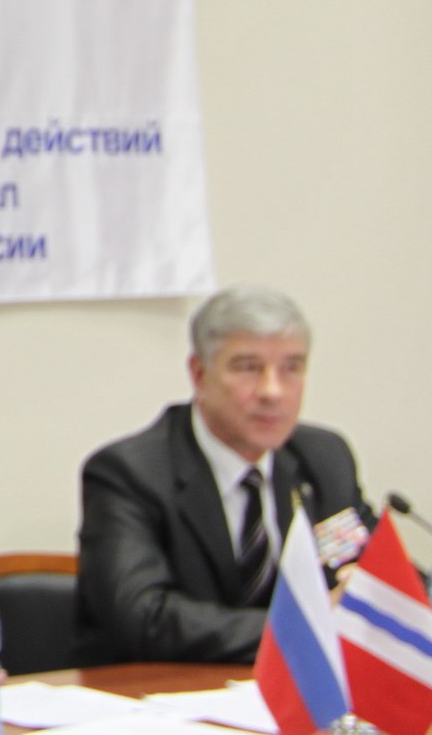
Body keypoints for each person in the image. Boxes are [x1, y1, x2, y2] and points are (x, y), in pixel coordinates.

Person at [77, 284, 370, 665]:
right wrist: (306, 627)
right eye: (248, 368)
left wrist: (375, 594)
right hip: (160, 691)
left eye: (291, 368)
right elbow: (144, 618)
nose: (272, 391)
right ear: (199, 374)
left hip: (295, 689)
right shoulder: (129, 473)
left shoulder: (324, 458)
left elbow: (373, 567)